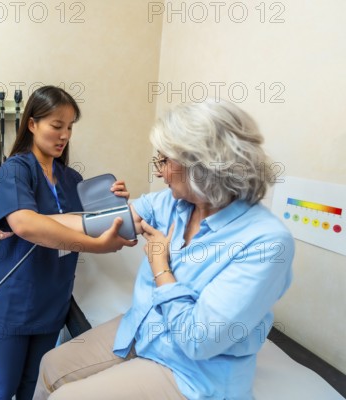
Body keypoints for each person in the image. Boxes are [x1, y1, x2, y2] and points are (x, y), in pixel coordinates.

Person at [33, 99, 295, 400]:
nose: (158, 172)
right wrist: (24, 223)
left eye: (164, 161)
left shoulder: (265, 242)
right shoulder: (173, 202)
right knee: (51, 365)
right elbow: (102, 222)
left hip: (193, 370)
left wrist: (161, 266)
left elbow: (199, 340)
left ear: (203, 164)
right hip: (146, 326)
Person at [0, 85, 136, 400]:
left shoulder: (72, 180)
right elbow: (25, 224)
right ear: (32, 124)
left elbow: (103, 228)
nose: (64, 135)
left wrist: (120, 208)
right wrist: (97, 247)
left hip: (52, 302)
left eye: (69, 127)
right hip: (12, 301)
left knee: (31, 386)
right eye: (56, 125)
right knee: (1, 387)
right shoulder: (17, 170)